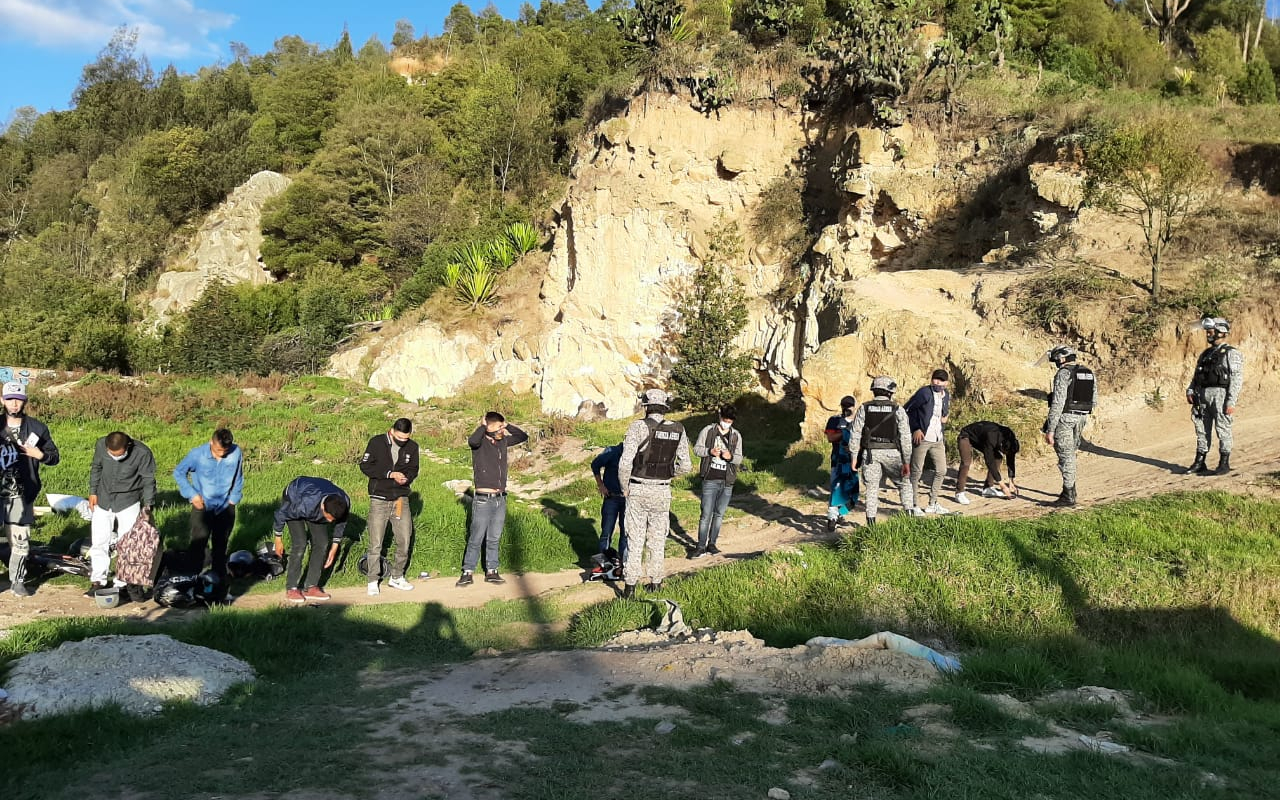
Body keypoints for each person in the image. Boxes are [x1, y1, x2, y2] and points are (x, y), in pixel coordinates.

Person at [619, 388, 691, 597]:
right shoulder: (678, 429)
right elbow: (685, 466)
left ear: (646, 406)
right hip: (662, 490)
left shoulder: (638, 427)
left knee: (635, 539)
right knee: (658, 539)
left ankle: (630, 586)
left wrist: (625, 487)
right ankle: (656, 582)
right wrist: (669, 475)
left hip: (639, 488)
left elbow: (625, 464)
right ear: (664, 408)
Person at [1, 382, 59, 597]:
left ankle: (17, 581)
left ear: (24, 401)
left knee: (21, 541)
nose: (14, 404)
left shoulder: (37, 428)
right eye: (9, 399)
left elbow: (54, 457)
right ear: (2, 400)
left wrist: (41, 455)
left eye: (18, 399)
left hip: (21, 495)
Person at [458, 411, 528, 587]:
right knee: (476, 536)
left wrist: (507, 424)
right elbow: (472, 440)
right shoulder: (480, 442)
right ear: (488, 426)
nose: (501, 430)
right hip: (483, 498)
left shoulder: (502, 441)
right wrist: (482, 426)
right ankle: (467, 571)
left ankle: (492, 570)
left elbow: (522, 436)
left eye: (502, 427)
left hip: (500, 498)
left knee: (494, 537)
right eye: (498, 426)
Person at [88, 431, 157, 594]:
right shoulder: (100, 445)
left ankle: (122, 583)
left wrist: (148, 506)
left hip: (128, 501)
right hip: (103, 500)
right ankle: (98, 580)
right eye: (111, 455)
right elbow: (96, 467)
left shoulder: (143, 453)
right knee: (99, 541)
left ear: (128, 447)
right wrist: (93, 491)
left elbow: (148, 481)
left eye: (118, 455)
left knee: (127, 544)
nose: (114, 458)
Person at [847, 377, 920, 526]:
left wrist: (854, 457)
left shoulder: (864, 408)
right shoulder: (897, 409)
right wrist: (906, 461)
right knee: (904, 484)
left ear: (874, 391)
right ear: (890, 392)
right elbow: (905, 437)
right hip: (892, 453)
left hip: (871, 454)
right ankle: (910, 517)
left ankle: (871, 524)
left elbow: (855, 434)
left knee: (872, 489)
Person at [359, 418, 420, 595]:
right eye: (399, 438)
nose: (402, 442)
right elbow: (365, 466)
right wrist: (389, 474)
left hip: (401, 499)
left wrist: (407, 478)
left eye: (405, 439)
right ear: (392, 431)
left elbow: (414, 468)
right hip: (379, 498)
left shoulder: (413, 447)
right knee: (376, 542)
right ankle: (372, 579)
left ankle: (397, 576)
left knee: (404, 539)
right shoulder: (376, 442)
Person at [173, 428, 244, 578]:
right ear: (211, 442)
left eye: (225, 451)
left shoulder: (236, 452)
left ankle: (218, 581)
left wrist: (233, 499)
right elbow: (179, 472)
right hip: (203, 506)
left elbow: (239, 476)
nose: (222, 454)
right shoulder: (197, 455)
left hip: (226, 506)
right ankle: (192, 578)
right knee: (198, 545)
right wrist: (192, 495)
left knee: (221, 545)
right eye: (218, 450)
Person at [272, 476, 350, 603]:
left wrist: (335, 546)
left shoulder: (344, 502)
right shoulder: (304, 504)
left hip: (317, 499)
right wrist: (278, 539)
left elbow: (341, 522)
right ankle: (291, 587)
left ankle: (311, 586)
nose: (330, 522)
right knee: (300, 542)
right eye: (328, 518)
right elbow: (281, 514)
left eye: (332, 520)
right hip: (295, 494)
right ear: (323, 508)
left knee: (322, 542)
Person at [1184, 317, 1244, 476]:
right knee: (1201, 429)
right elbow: (1197, 375)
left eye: (1211, 332)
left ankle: (1224, 462)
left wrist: (1231, 401)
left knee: (1223, 429)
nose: (1208, 335)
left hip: (1221, 395)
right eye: (1208, 332)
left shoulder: (1232, 353)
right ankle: (1200, 461)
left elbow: (1236, 378)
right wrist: (1190, 390)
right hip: (1202, 395)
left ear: (1221, 332)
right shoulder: (1205, 354)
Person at [1043, 345, 1097, 507]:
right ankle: (1069, 490)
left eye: (1055, 361)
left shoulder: (1063, 374)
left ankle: (1068, 495)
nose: (1055, 364)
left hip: (1065, 419)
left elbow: (1058, 403)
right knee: (1070, 454)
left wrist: (1050, 429)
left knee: (1066, 457)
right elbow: (1094, 401)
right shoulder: (1088, 372)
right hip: (1082, 418)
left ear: (1061, 359)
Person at [691, 405, 744, 558]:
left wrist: (731, 457)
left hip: (727, 481)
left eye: (730, 421)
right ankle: (700, 546)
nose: (727, 423)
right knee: (706, 514)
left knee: (719, 514)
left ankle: (712, 544)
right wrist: (709, 451)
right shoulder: (708, 430)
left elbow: (739, 458)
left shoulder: (736, 436)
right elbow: (696, 449)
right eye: (725, 420)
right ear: (720, 418)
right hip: (709, 479)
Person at [903, 369, 951, 514]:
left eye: (941, 380)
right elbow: (908, 409)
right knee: (916, 472)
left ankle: (932, 503)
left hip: (938, 438)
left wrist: (945, 417)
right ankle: (913, 504)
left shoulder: (946, 394)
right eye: (935, 379)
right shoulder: (924, 392)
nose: (938, 382)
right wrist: (916, 428)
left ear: (946, 383)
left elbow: (944, 411)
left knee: (941, 470)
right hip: (923, 437)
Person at [954, 421, 1019, 504]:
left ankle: (988, 488)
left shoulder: (1010, 438)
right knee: (966, 462)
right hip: (966, 436)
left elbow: (1011, 458)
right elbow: (989, 462)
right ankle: (959, 493)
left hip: (981, 438)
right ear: (1002, 446)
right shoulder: (991, 437)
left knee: (998, 457)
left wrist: (1011, 481)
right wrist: (1002, 485)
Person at [824, 395, 859, 532]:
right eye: (845, 405)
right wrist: (846, 432)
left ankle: (839, 514)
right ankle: (832, 518)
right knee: (836, 489)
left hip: (854, 461)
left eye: (849, 405)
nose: (847, 408)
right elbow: (830, 437)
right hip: (838, 460)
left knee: (853, 495)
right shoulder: (834, 420)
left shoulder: (859, 420)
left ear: (854, 406)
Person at [591, 440, 627, 565]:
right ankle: (603, 564)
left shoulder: (637, 453)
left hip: (628, 499)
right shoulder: (612, 451)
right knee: (606, 532)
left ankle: (624, 564)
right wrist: (600, 485)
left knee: (626, 532)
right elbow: (595, 464)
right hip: (611, 497)